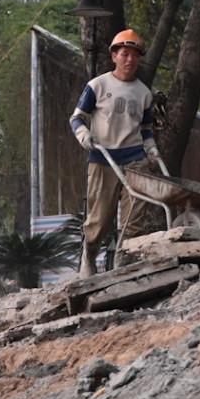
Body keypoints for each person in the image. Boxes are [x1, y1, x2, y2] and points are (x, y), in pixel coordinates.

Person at [69, 28, 160, 278]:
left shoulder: (144, 93)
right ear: (114, 56)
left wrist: (150, 146)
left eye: (135, 55)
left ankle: (125, 259)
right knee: (100, 220)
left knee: (135, 214)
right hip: (103, 158)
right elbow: (77, 118)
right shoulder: (98, 85)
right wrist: (84, 134)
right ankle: (89, 254)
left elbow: (145, 127)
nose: (130, 59)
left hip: (134, 158)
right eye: (125, 54)